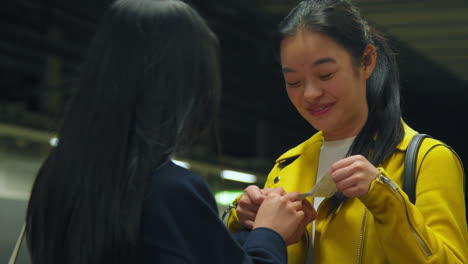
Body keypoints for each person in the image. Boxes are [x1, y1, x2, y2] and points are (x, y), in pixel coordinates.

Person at [24, 0, 316, 263]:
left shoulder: (54, 179)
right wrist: (270, 235)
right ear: (187, 89)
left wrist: (248, 231)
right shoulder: (170, 190)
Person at [227, 0, 468, 263]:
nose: (310, 94)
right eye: (293, 81)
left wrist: (385, 198)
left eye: (326, 74)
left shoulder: (427, 159)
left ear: (366, 61)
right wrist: (241, 218)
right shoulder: (286, 168)